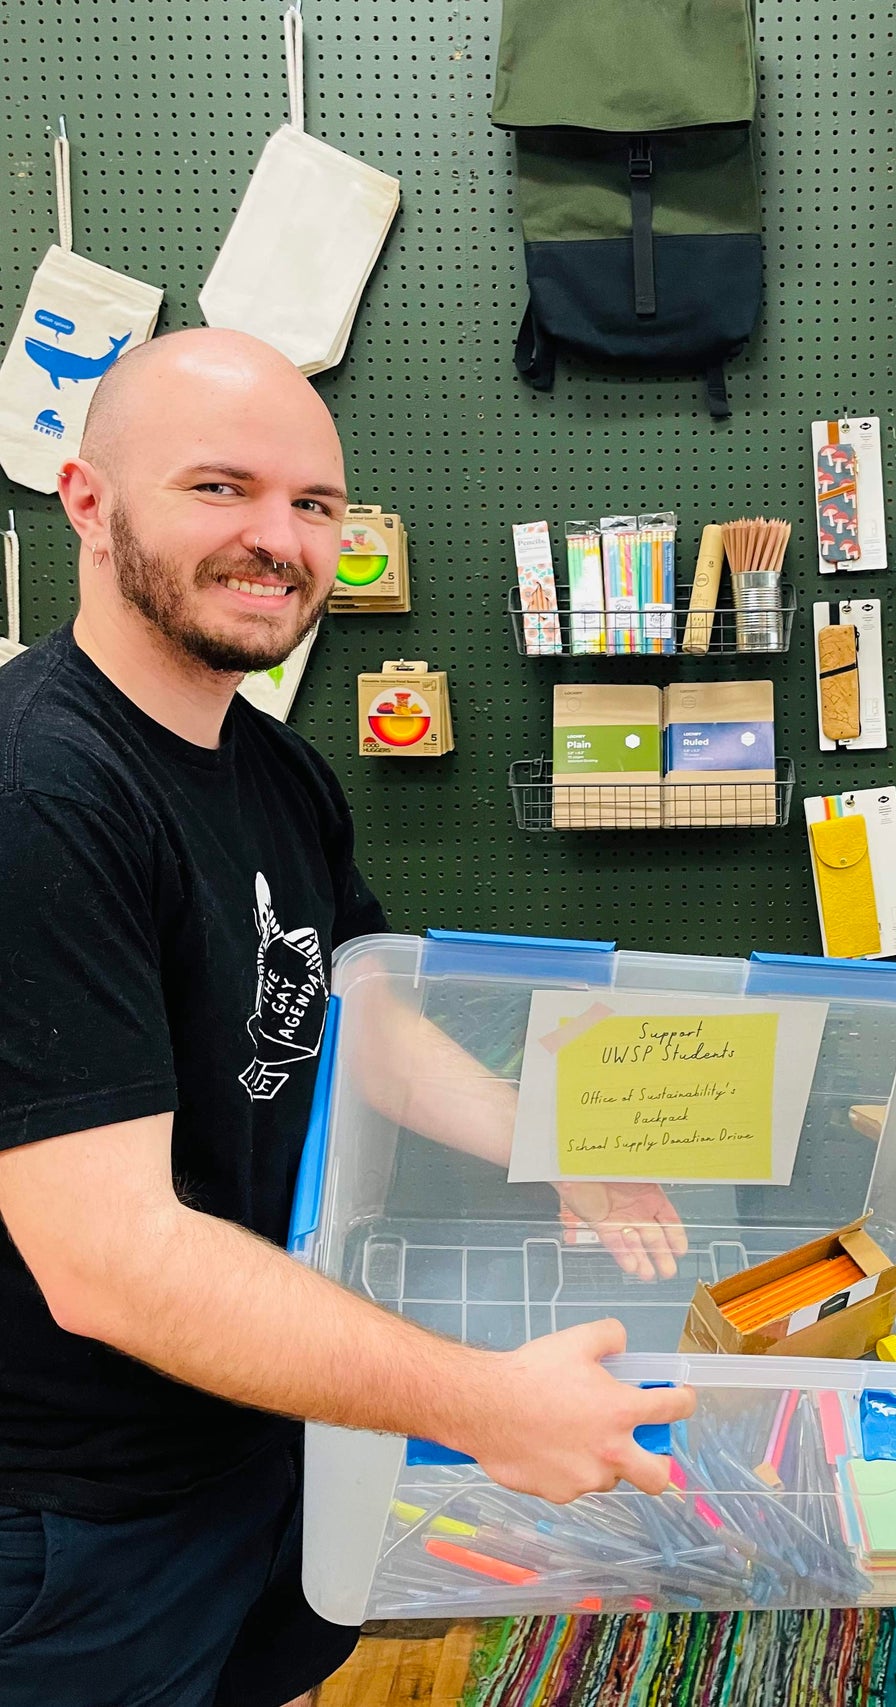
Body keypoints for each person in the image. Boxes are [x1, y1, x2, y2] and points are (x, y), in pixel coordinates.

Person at [0, 328, 695, 1707]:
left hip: (256, 1427)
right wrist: (486, 1405)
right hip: (71, 1513)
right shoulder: (41, 798)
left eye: (313, 504)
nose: (278, 539)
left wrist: (539, 1138)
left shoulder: (275, 767)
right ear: (88, 502)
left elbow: (354, 1010)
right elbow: (106, 1259)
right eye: (220, 488)